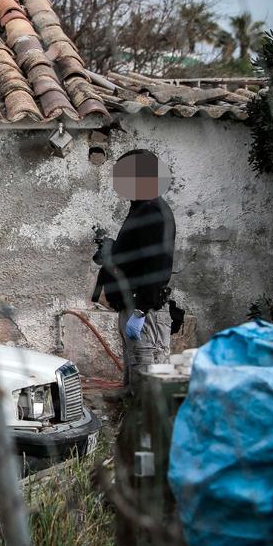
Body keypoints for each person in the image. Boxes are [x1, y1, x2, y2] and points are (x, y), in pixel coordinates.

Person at [92, 149, 176, 384]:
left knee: (148, 385)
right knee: (134, 384)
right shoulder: (140, 208)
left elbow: (156, 264)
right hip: (133, 306)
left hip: (144, 311)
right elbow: (138, 255)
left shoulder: (152, 210)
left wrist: (140, 310)